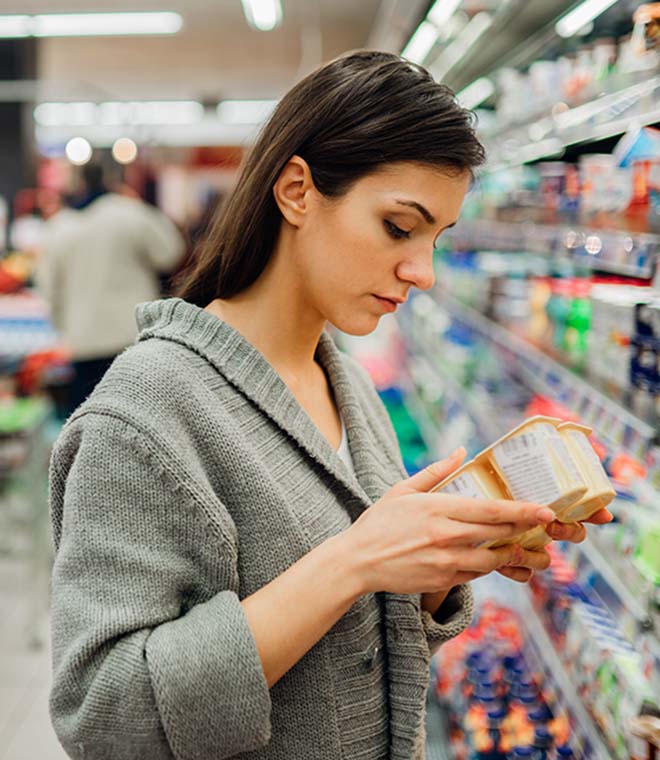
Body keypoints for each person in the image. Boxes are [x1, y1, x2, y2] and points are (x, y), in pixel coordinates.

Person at [47, 51, 611, 760]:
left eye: (437, 239)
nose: (423, 271)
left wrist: (440, 566)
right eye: (400, 228)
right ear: (296, 191)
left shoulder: (351, 388)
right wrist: (355, 560)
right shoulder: (144, 413)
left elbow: (349, 654)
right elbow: (104, 716)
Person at [36, 162, 185, 415]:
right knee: (141, 421)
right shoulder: (130, 214)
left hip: (83, 342)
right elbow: (171, 252)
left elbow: (48, 288)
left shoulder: (59, 228)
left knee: (87, 426)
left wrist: (63, 328)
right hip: (133, 337)